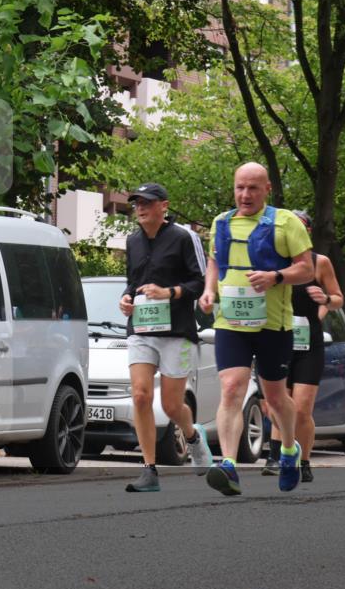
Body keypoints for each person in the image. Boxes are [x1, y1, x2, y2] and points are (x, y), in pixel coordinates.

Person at [198, 163, 314, 495]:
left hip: (272, 325)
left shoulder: (286, 222)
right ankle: (230, 465)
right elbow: (215, 261)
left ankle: (289, 449)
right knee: (232, 388)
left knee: (276, 398)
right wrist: (209, 291)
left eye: (252, 188)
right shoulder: (221, 222)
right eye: (239, 187)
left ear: (267, 190)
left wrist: (275, 277)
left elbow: (306, 269)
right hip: (231, 322)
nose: (245, 194)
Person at [119, 183, 213, 492]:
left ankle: (192, 435)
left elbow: (199, 284)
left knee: (172, 406)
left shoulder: (184, 238)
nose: (140, 208)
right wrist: (126, 299)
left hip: (176, 332)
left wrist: (168, 293)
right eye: (136, 203)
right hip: (142, 330)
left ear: (164, 206)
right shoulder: (132, 242)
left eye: (147, 202)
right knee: (141, 395)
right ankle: (149, 470)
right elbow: (132, 283)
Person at [260, 210, 344, 482]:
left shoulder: (320, 263)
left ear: (305, 232)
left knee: (301, 408)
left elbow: (337, 299)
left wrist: (325, 302)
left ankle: (304, 462)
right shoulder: (272, 263)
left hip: (309, 344)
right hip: (276, 337)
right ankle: (277, 456)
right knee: (275, 405)